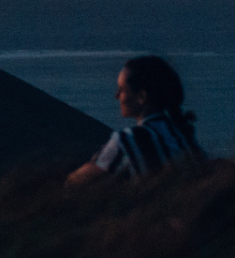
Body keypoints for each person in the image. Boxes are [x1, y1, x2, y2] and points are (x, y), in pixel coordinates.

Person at [67, 54, 208, 189]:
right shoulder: (185, 137)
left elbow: (76, 182)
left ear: (142, 97)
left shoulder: (128, 139)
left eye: (121, 90)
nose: (116, 96)